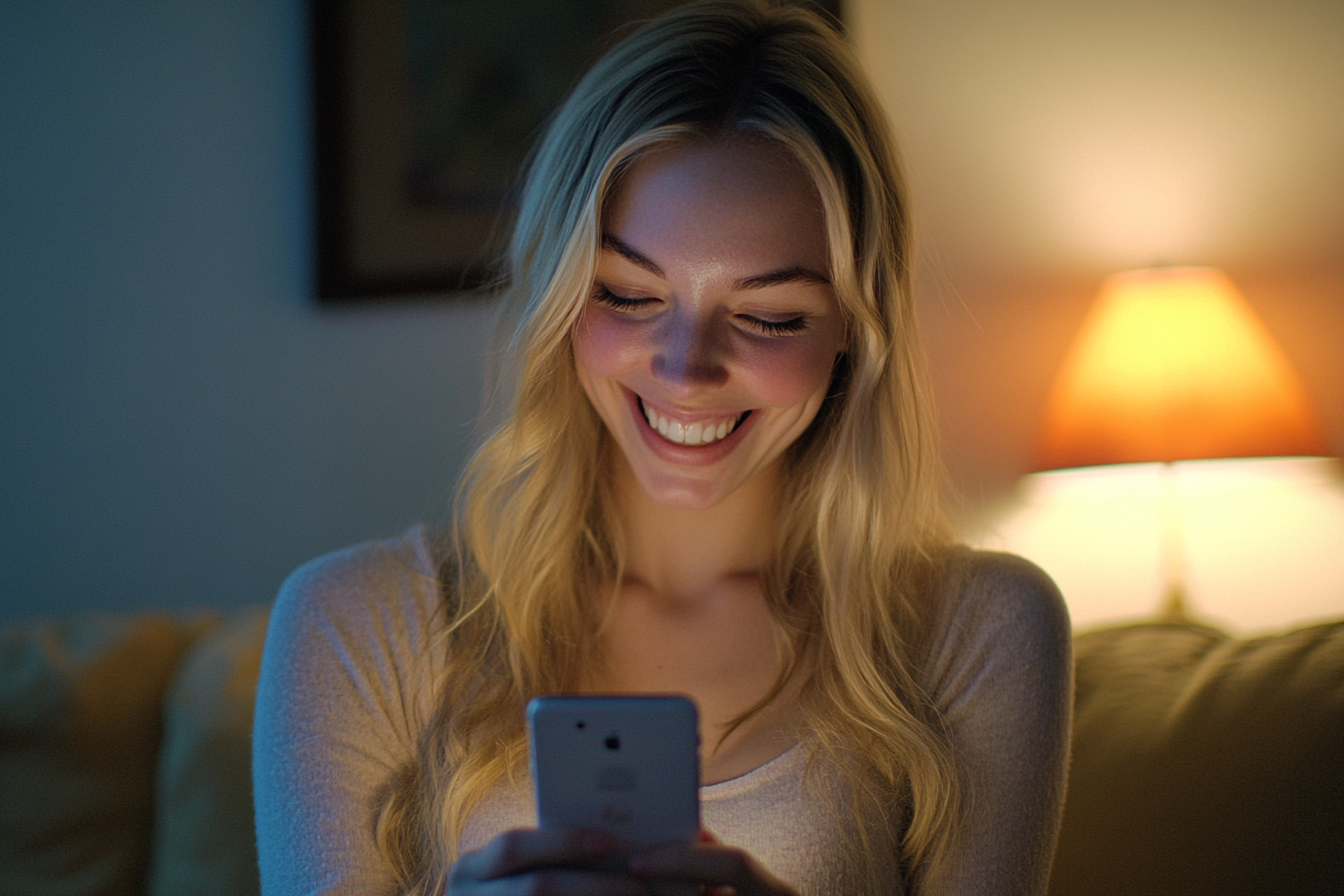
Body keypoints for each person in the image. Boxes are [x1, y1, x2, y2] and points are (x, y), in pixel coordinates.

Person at [252, 2, 1072, 894]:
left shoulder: (980, 628)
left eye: (768, 316)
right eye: (629, 296)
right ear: (559, 302)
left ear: (852, 329)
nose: (687, 370)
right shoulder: (360, 626)